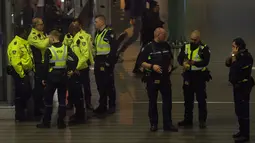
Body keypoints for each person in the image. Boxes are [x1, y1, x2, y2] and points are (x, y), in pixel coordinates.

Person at [137, 28, 178, 132]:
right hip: (152, 78)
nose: (165, 36)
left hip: (165, 78)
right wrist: (152, 66)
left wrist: (170, 65)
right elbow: (140, 62)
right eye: (164, 34)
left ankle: (168, 124)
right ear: (157, 35)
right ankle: (153, 123)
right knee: (152, 102)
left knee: (167, 102)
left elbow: (171, 57)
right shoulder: (148, 47)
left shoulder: (166, 45)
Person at [36, 30, 78, 129]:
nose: (49, 39)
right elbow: (75, 59)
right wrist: (71, 70)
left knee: (48, 100)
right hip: (63, 77)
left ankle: (46, 122)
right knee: (62, 100)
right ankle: (61, 122)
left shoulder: (49, 50)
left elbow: (45, 65)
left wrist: (43, 78)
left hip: (51, 77)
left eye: (49, 37)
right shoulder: (66, 48)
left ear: (54, 37)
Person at [177, 30, 211, 129]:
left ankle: (202, 120)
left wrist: (194, 63)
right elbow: (180, 58)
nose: (193, 41)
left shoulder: (204, 48)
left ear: (199, 38)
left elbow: (205, 62)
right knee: (187, 99)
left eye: (195, 40)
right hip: (188, 75)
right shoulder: (186, 46)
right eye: (191, 39)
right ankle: (188, 119)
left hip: (199, 76)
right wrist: (182, 63)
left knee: (201, 99)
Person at [225, 38, 254, 143]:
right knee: (238, 110)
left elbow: (239, 68)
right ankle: (241, 131)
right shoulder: (236, 56)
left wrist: (234, 60)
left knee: (244, 110)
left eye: (234, 46)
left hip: (244, 86)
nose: (232, 48)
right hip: (236, 86)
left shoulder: (246, 57)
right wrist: (232, 57)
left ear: (238, 46)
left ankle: (245, 134)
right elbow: (228, 64)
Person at [7, 26, 33, 122]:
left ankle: (23, 113)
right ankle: (19, 115)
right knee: (21, 93)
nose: (26, 34)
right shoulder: (15, 44)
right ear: (21, 33)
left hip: (25, 72)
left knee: (26, 92)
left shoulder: (23, 43)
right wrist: (22, 75)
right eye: (25, 32)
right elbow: (15, 62)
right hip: (19, 73)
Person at [93, 15, 118, 114]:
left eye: (96, 22)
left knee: (109, 84)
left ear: (102, 22)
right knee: (100, 84)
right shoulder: (97, 33)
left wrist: (109, 61)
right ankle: (102, 105)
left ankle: (112, 105)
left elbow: (113, 48)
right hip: (98, 60)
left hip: (106, 60)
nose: (95, 24)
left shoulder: (109, 33)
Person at [133, 0, 164, 73]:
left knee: (145, 52)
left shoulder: (153, 14)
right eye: (157, 7)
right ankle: (138, 67)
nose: (158, 8)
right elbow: (151, 25)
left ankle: (140, 67)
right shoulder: (148, 14)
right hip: (148, 37)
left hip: (149, 36)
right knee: (144, 52)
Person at [28, 17, 50, 119]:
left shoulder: (41, 34)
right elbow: (42, 45)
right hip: (38, 65)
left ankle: (42, 106)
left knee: (43, 86)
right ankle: (37, 109)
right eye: (40, 24)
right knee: (38, 88)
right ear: (35, 26)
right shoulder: (33, 36)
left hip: (43, 63)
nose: (42, 26)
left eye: (42, 24)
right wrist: (48, 38)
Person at [68, 22, 89, 124]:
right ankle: (78, 113)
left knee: (78, 93)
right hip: (76, 70)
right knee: (75, 93)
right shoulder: (74, 39)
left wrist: (76, 67)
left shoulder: (80, 39)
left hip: (80, 70)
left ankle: (80, 116)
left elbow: (85, 55)